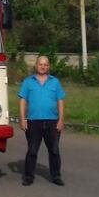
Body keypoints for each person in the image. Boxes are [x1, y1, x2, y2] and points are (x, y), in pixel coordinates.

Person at [19, 55, 66, 186]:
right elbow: (22, 101)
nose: (43, 66)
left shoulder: (55, 82)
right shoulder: (28, 81)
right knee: (32, 150)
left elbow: (60, 101)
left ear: (49, 66)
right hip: (34, 121)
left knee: (54, 150)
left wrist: (61, 120)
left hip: (52, 121)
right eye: (40, 64)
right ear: (36, 66)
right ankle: (28, 177)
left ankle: (56, 176)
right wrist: (22, 119)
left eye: (45, 64)